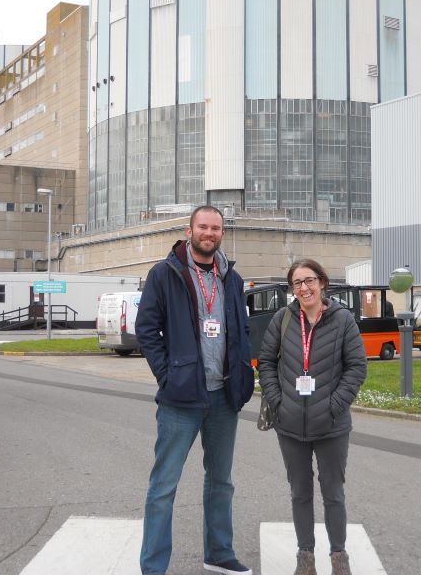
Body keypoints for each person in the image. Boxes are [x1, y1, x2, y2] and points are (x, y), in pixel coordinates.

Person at [135, 205, 255, 575]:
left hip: (223, 397)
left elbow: (241, 329)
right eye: (203, 226)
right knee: (164, 486)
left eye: (216, 228)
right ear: (190, 230)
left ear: (222, 232)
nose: (209, 233)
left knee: (221, 481)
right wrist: (167, 376)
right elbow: (146, 330)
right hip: (181, 398)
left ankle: (218, 554)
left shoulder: (231, 278)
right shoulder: (164, 273)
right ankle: (153, 567)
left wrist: (241, 374)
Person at [258, 259, 367, 575]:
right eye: (296, 283)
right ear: (292, 289)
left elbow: (357, 367)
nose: (303, 288)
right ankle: (305, 558)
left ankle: (338, 557)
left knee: (333, 493)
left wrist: (335, 405)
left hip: (332, 425)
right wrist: (279, 401)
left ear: (322, 282)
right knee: (299, 493)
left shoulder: (342, 320)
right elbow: (265, 362)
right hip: (290, 425)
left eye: (308, 280)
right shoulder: (283, 319)